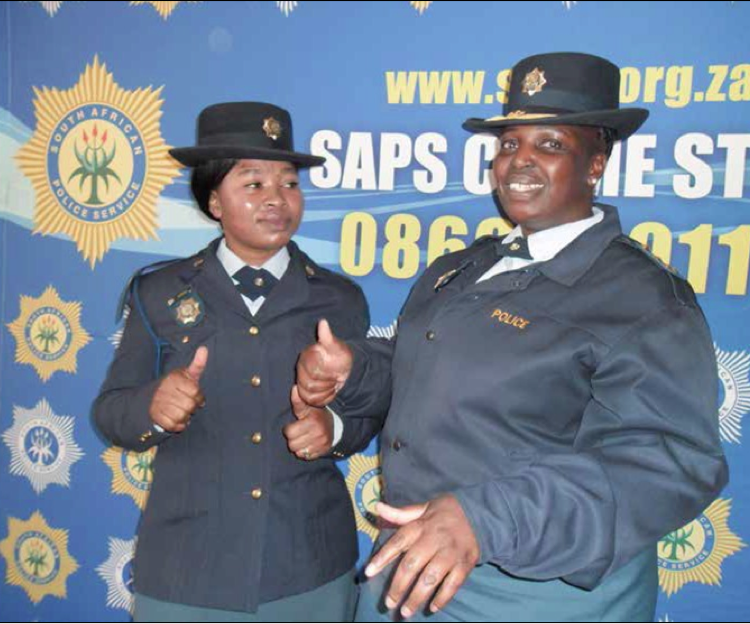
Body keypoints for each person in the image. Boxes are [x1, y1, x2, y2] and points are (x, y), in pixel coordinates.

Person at [296, 53, 729, 622]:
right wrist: (353, 368)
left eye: (550, 145)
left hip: (533, 597)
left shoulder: (644, 298)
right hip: (407, 570)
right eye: (508, 144)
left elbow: (668, 463)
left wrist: (486, 518)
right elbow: (417, 370)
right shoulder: (460, 268)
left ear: (596, 163)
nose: (519, 161)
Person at [93, 102, 381, 622]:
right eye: (252, 184)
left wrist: (333, 427)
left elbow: (367, 413)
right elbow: (111, 413)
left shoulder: (339, 300)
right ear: (213, 201)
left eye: (289, 184)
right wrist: (153, 408)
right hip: (187, 568)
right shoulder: (159, 291)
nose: (277, 199)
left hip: (305, 566)